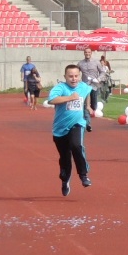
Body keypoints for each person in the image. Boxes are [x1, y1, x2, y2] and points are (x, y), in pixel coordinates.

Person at [47, 65, 93, 197]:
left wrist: (88, 106)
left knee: (76, 145)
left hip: (77, 124)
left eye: (76, 76)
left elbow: (88, 92)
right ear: (65, 77)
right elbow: (51, 100)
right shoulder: (60, 88)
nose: (74, 79)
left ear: (80, 76)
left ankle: (83, 175)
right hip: (60, 129)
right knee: (65, 157)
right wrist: (69, 98)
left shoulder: (83, 86)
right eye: (70, 76)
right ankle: (65, 179)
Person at [77, 49, 105, 116]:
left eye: (89, 52)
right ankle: (85, 116)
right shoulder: (80, 63)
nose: (87, 53)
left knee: (93, 102)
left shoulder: (96, 62)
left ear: (91, 53)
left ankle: (92, 114)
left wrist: (99, 79)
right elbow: (76, 71)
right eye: (86, 52)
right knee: (84, 101)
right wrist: (77, 80)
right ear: (84, 53)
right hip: (85, 85)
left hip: (94, 85)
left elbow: (102, 72)